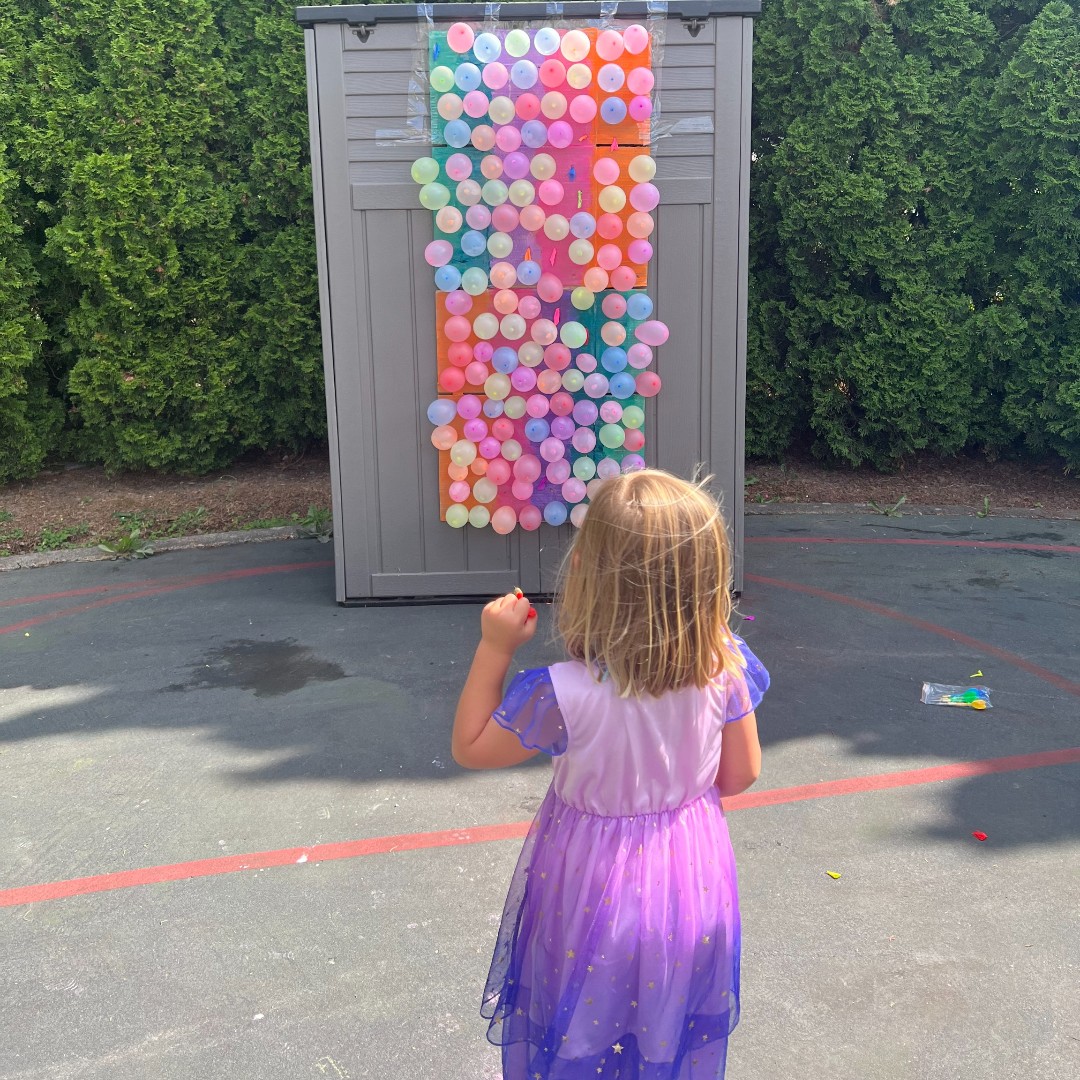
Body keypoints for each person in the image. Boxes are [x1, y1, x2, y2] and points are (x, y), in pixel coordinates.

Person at [452, 469, 768, 1080]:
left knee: (582, 1031)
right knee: (665, 1027)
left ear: (590, 575)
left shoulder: (564, 694)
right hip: (691, 881)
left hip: (590, 889)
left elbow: (470, 747)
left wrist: (494, 647)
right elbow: (740, 775)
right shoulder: (724, 665)